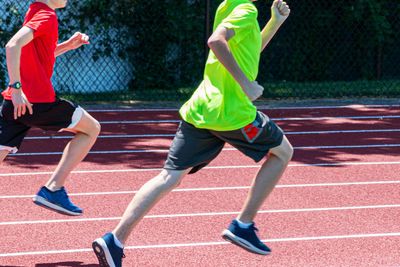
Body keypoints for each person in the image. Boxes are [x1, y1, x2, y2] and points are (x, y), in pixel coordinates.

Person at [92, 0, 292, 265]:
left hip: (201, 109)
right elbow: (216, 41)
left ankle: (114, 240)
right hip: (231, 114)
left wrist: (274, 22)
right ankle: (243, 225)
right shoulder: (246, 10)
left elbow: (247, 52)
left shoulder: (228, 6)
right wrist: (245, 84)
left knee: (168, 177)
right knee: (283, 152)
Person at [0, 0, 100, 216]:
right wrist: (16, 87)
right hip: (36, 102)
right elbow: (12, 45)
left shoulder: (35, 10)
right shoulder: (46, 15)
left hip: (16, 104)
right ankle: (53, 189)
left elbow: (37, 56)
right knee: (91, 128)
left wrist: (67, 45)